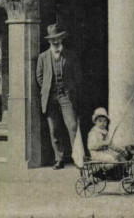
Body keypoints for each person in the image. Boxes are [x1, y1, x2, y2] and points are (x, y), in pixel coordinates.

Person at [36, 22, 81, 169]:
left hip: (66, 95)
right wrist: (48, 88)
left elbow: (77, 75)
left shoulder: (70, 55)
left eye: (58, 38)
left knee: (72, 125)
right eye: (52, 39)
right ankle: (59, 158)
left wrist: (71, 88)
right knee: (54, 129)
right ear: (49, 41)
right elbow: (39, 77)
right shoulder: (43, 57)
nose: (55, 42)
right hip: (50, 97)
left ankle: (78, 157)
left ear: (62, 38)